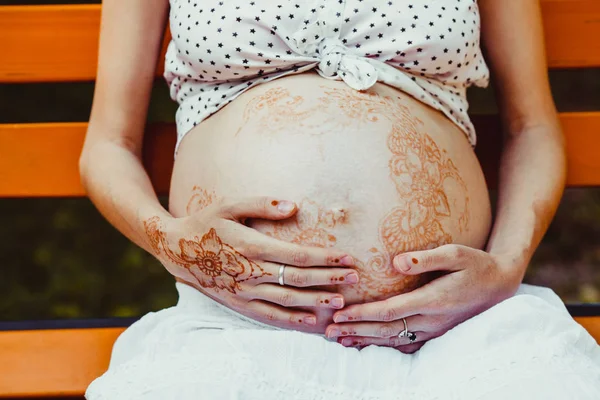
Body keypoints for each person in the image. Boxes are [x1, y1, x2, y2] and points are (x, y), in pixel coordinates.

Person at [82, 0, 600, 398]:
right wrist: (171, 241)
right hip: (237, 325)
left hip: (461, 326)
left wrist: (507, 265)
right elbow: (108, 146)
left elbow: (531, 127)